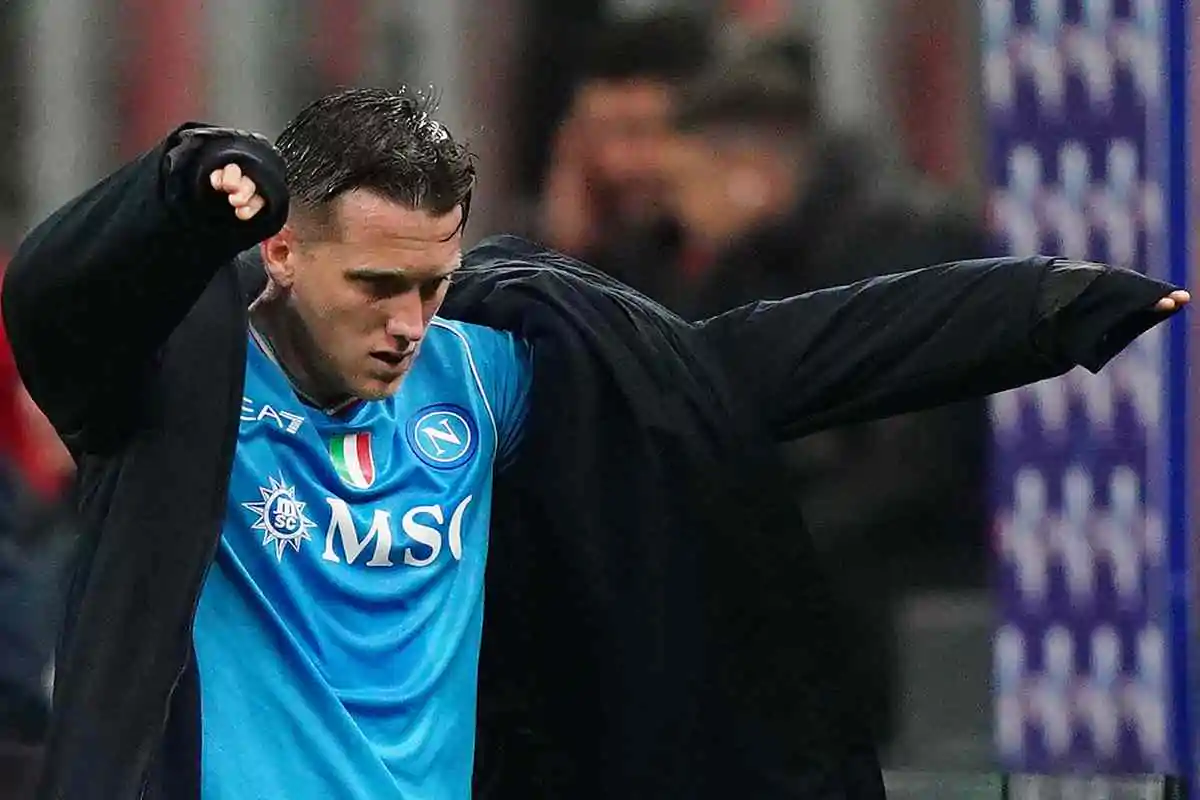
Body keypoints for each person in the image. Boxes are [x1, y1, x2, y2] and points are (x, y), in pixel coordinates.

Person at [1, 87, 1187, 800]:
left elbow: (743, 369)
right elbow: (55, 302)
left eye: (431, 283)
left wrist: (1039, 308)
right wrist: (175, 190)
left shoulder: (487, 376)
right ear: (282, 251)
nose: (407, 323)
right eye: (374, 285)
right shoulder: (173, 388)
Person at [639, 45, 994, 748]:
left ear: (749, 174)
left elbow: (913, 465)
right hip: (816, 567)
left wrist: (762, 533)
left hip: (905, 586)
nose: (676, 213)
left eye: (685, 185)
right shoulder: (749, 263)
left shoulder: (903, 250)